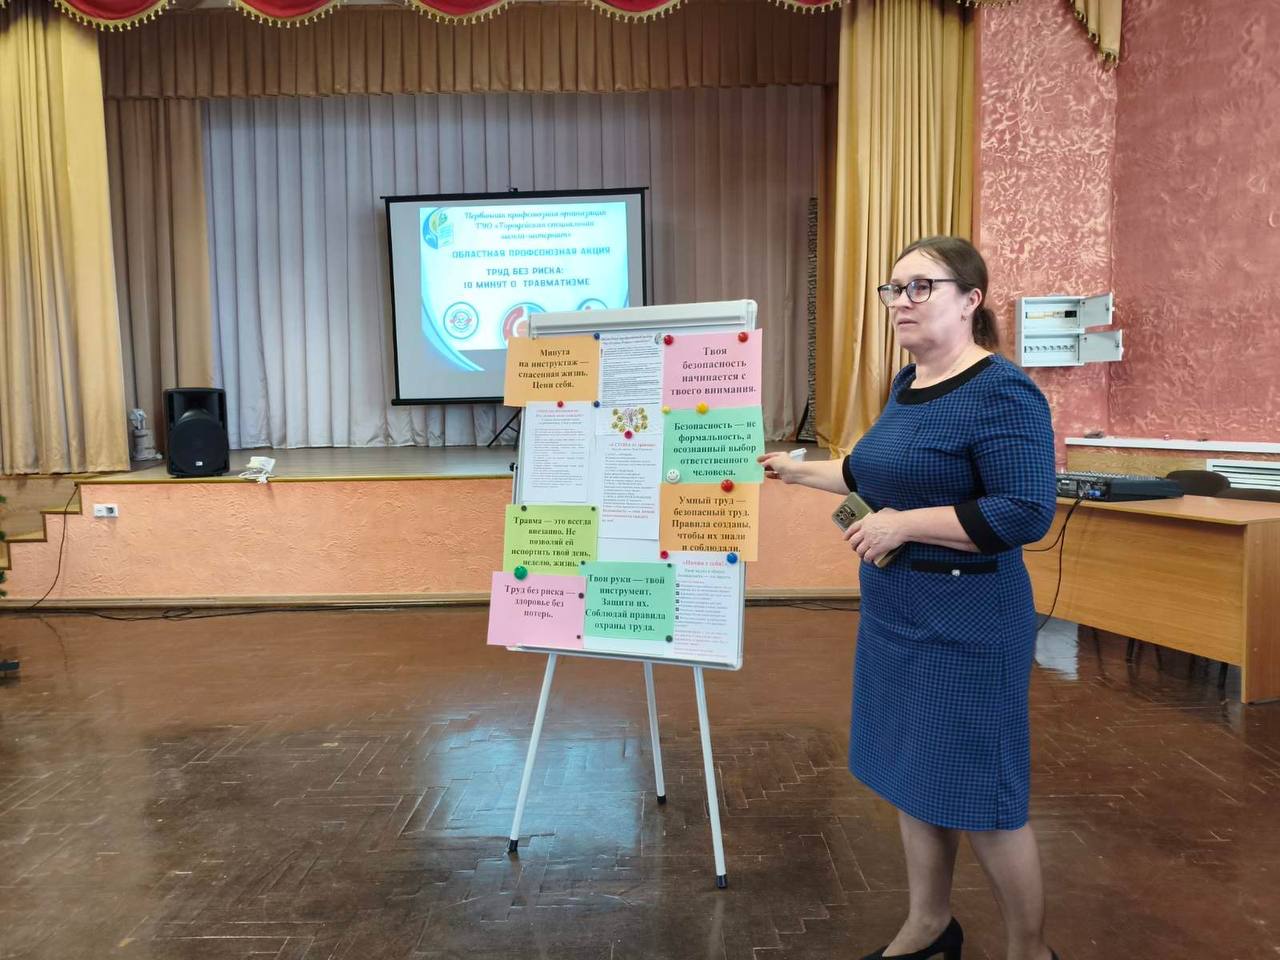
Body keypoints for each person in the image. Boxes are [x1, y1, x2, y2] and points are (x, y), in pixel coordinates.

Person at [759, 236, 1060, 960]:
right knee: (913, 776)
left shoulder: (1001, 391)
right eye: (894, 289)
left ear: (970, 300)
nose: (901, 302)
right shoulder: (908, 384)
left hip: (970, 624)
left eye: (920, 287)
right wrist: (795, 471)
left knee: (984, 799)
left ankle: (1030, 951)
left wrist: (904, 523)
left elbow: (1025, 511)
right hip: (897, 617)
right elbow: (871, 471)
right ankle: (930, 928)